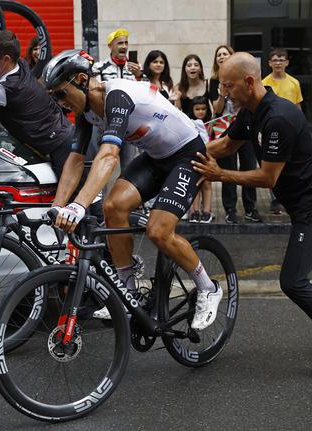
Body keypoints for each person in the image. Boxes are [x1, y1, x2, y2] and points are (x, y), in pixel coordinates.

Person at [192, 52, 312, 379]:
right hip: (304, 204)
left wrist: (221, 176)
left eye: (228, 86)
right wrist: (185, 151)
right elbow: (226, 145)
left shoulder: (279, 117)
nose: (223, 94)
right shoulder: (250, 111)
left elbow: (268, 178)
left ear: (250, 83)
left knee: (293, 280)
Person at [44, 50, 223, 330]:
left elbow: (108, 156)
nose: (59, 103)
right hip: (156, 157)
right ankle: (127, 295)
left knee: (159, 230)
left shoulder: (116, 96)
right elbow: (76, 160)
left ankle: (208, 287)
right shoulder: (87, 111)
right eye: (54, 97)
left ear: (81, 79)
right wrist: (57, 205)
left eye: (60, 94)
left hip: (187, 154)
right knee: (113, 207)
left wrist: (78, 206)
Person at [0, 31, 82, 183]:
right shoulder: (20, 64)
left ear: (6, 59)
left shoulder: (5, 89)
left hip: (63, 146)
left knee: (80, 199)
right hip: (66, 136)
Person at [207, 46, 261, 223]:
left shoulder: (241, 78)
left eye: (225, 54)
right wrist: (222, 95)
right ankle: (230, 209)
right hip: (226, 129)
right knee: (228, 168)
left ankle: (250, 207)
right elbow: (216, 110)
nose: (222, 57)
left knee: (249, 166)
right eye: (219, 55)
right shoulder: (214, 82)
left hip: (245, 126)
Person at [92, 28, 143, 172]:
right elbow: (95, 92)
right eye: (120, 43)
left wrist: (139, 76)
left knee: (129, 166)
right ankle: (100, 195)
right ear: (110, 46)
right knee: (101, 165)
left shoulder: (135, 68)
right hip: (105, 124)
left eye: (126, 43)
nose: (124, 47)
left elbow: (143, 94)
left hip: (129, 124)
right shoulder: (99, 67)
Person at [263, 47, 303, 214]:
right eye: (274, 60)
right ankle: (275, 198)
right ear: (269, 63)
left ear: (287, 62)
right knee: (273, 165)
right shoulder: (264, 83)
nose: (278, 62)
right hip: (271, 130)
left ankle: (291, 197)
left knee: (290, 165)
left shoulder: (294, 83)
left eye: (281, 59)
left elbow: (298, 107)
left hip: (290, 130)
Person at [187, 96, 214, 223]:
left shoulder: (211, 123)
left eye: (203, 109)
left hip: (208, 157)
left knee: (207, 183)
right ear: (192, 110)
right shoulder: (188, 122)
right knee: (195, 183)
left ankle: (207, 211)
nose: (200, 111)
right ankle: (195, 210)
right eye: (197, 109)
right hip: (194, 157)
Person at [172, 54, 213, 118]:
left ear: (200, 69)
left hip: (206, 125)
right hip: (187, 125)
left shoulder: (208, 84)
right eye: (189, 65)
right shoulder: (178, 87)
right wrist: (177, 100)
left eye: (196, 65)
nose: (193, 68)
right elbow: (178, 111)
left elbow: (215, 108)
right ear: (184, 69)